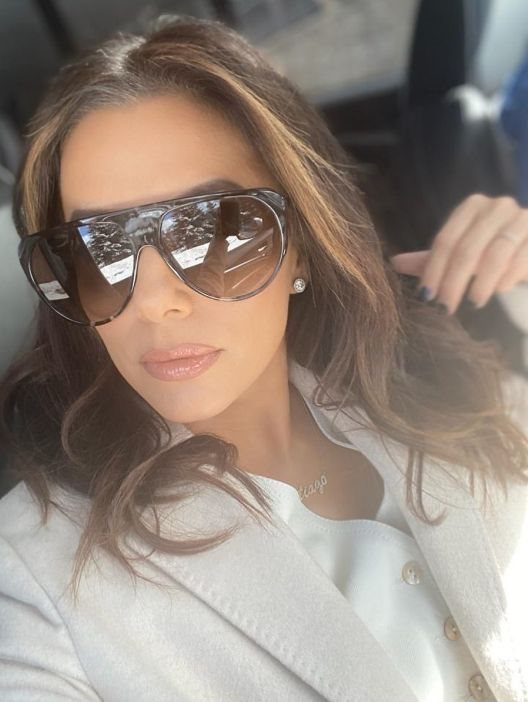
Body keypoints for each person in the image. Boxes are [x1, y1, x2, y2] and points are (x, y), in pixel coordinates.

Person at [0, 13, 527, 702]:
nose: (153, 303)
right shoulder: (38, 578)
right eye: (98, 251)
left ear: (301, 243)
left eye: (213, 231)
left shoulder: (457, 390)